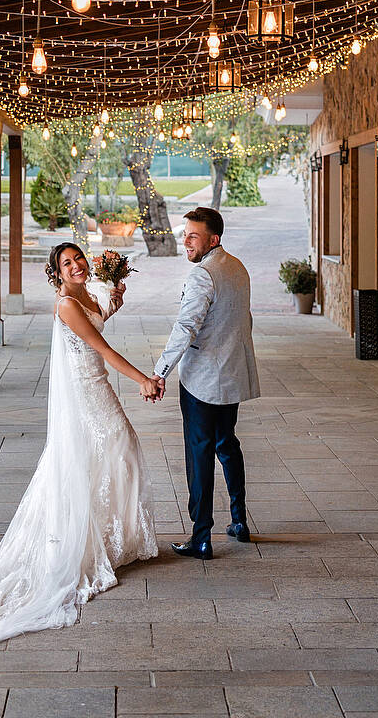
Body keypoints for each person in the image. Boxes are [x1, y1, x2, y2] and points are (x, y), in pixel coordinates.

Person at [0, 242, 159, 648]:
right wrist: (143, 379)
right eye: (67, 264)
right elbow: (102, 348)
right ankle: (86, 540)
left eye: (79, 260)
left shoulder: (86, 294)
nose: (76, 266)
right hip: (86, 389)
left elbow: (98, 319)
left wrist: (115, 302)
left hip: (96, 383)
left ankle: (107, 539)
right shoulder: (66, 304)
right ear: (57, 273)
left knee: (111, 453)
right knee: (117, 446)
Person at [149, 206, 259, 560]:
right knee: (227, 443)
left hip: (202, 382)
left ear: (213, 239)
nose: (186, 241)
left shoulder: (203, 275)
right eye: (185, 234)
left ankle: (201, 537)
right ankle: (239, 521)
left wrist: (160, 371)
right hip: (231, 375)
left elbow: (186, 327)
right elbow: (245, 320)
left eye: (192, 236)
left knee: (199, 454)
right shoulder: (238, 268)